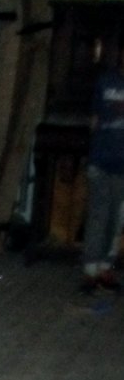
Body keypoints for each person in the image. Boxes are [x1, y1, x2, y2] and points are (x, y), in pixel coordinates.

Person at [80, 44, 124, 294]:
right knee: (98, 215)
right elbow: (94, 120)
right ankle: (90, 271)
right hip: (101, 159)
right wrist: (93, 153)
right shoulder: (106, 81)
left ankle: (106, 268)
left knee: (116, 218)